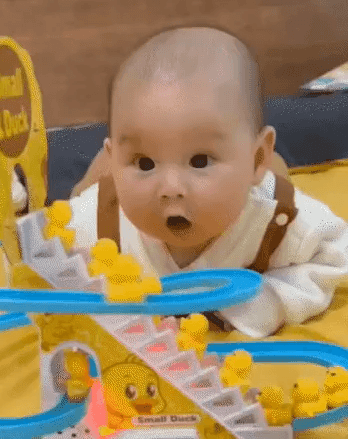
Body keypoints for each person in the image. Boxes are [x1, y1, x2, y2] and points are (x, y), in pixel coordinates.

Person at [67, 27, 348, 338]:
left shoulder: (279, 220)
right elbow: (41, 257)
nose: (170, 188)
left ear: (256, 159)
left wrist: (269, 301)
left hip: (259, 184)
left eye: (199, 161)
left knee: (278, 176)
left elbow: (336, 255)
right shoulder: (100, 220)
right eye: (145, 163)